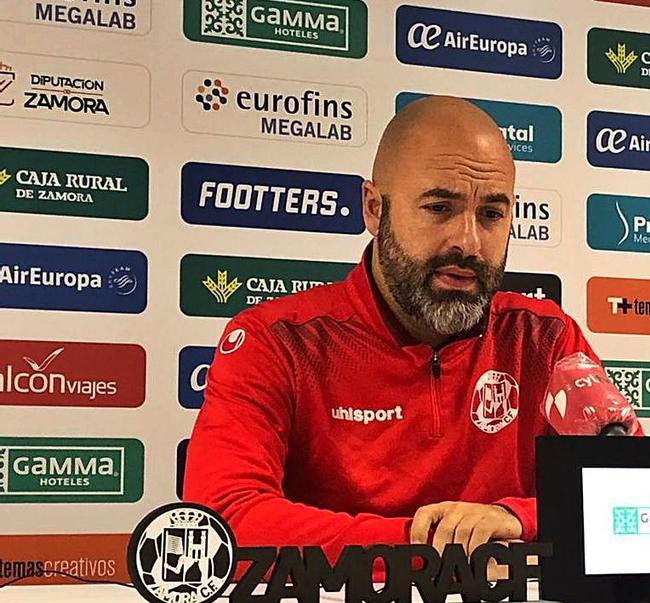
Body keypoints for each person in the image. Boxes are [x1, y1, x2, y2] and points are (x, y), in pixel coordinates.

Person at [183, 96, 604, 562]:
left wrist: (517, 519)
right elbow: (220, 520)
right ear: (373, 209)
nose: (467, 241)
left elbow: (633, 493)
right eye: (440, 207)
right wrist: (431, 548)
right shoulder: (276, 342)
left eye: (491, 215)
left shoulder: (546, 340)